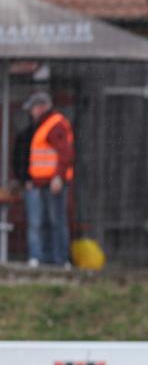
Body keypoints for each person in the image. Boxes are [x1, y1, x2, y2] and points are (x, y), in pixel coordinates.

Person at [21, 91, 74, 268]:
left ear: (42, 107)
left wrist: (58, 177)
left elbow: (65, 154)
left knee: (56, 221)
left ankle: (60, 259)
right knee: (40, 222)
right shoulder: (42, 125)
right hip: (40, 182)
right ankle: (41, 258)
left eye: (33, 108)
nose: (31, 113)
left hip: (53, 183)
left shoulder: (55, 124)